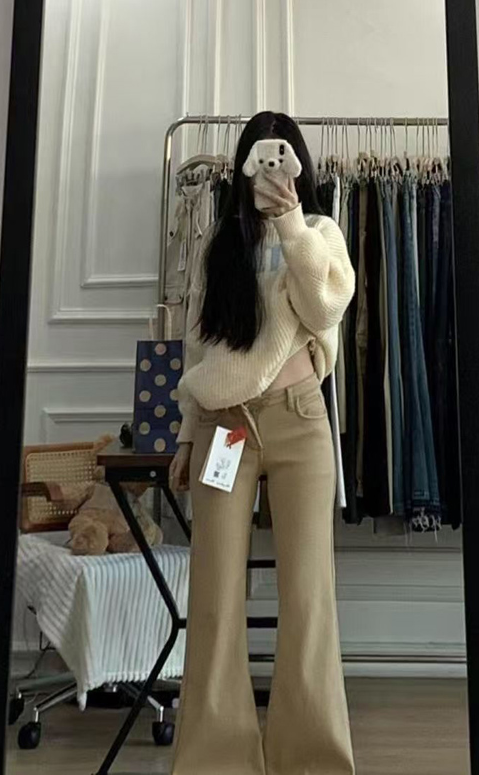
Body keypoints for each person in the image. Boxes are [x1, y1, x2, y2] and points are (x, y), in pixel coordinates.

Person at [168, 111, 356, 775]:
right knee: (215, 595)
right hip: (224, 425)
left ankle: (314, 761)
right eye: (259, 158)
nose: (270, 169)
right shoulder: (221, 244)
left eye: (281, 157)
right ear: (242, 168)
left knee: (308, 594)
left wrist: (290, 222)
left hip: (300, 419)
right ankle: (214, 761)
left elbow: (325, 308)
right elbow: (200, 345)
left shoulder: (321, 233)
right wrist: (186, 436)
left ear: (298, 165)